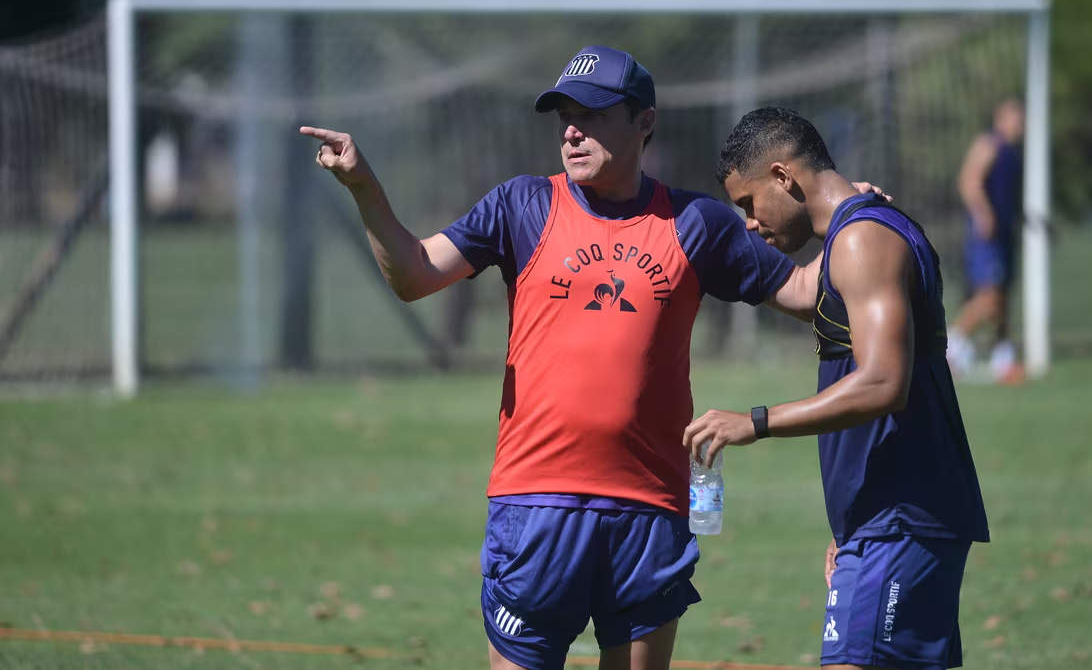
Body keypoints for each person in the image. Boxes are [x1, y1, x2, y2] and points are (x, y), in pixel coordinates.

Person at [301, 47, 881, 670]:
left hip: (648, 509)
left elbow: (806, 292)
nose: (573, 132)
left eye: (594, 115)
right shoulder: (521, 206)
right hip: (536, 506)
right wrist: (363, 185)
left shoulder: (695, 222)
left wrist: (855, 220)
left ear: (644, 123)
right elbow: (415, 273)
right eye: (565, 118)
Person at [683, 106, 988, 670]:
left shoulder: (863, 239)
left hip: (901, 518)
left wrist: (755, 422)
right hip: (886, 519)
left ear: (783, 176)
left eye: (749, 203)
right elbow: (805, 292)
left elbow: (884, 383)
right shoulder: (856, 234)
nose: (750, 222)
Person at [947, 99, 1025, 383]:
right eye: (1016, 118)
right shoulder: (989, 144)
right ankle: (951, 347)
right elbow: (969, 180)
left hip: (1004, 234)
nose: (1021, 124)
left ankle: (1003, 360)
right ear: (1000, 119)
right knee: (989, 294)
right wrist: (983, 213)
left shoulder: (1014, 153)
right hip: (986, 234)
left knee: (1002, 297)